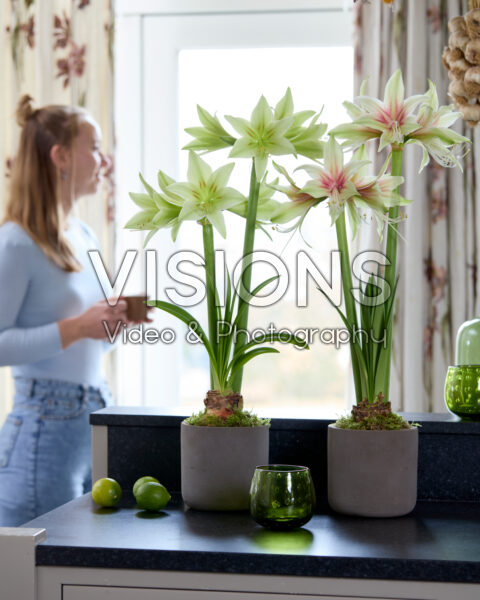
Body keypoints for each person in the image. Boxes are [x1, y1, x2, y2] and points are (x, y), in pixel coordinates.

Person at [0, 95, 128, 526]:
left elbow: (92, 343)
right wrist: (77, 326)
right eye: (93, 147)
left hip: (95, 417)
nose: (104, 160)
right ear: (61, 156)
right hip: (44, 430)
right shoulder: (17, 242)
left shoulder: (84, 234)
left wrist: (114, 323)